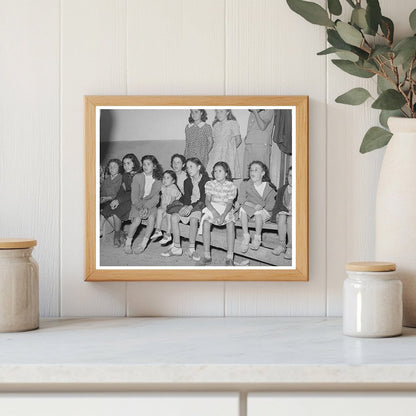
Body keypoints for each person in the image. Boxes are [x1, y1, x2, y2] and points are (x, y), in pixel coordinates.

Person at [161, 157, 209, 260]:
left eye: (191, 166)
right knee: (174, 216)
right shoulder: (187, 181)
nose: (189, 169)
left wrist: (190, 207)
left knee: (193, 219)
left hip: (200, 206)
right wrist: (184, 206)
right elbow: (187, 197)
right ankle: (177, 247)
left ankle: (191, 249)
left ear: (199, 167)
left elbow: (203, 199)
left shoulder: (206, 180)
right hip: (189, 205)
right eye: (187, 167)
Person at [198, 161, 237, 266]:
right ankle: (207, 256)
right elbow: (207, 201)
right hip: (213, 207)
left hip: (225, 209)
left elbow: (229, 203)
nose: (217, 173)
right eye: (215, 171)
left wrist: (224, 215)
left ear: (226, 173)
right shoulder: (210, 184)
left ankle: (229, 257)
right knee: (206, 223)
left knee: (230, 224)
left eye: (220, 171)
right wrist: (214, 212)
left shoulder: (231, 186)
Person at [124, 155, 163, 254]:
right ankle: (128, 243)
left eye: (148, 164)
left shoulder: (158, 180)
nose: (145, 166)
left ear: (154, 166)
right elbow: (134, 196)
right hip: (138, 203)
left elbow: (156, 198)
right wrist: (140, 207)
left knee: (151, 219)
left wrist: (146, 207)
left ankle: (143, 244)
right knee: (137, 221)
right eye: (144, 164)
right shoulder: (138, 177)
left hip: (151, 204)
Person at [101, 153, 140, 247]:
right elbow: (121, 190)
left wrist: (119, 201)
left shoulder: (138, 176)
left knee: (116, 213)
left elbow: (133, 193)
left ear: (134, 164)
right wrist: (116, 199)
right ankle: (121, 232)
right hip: (125, 198)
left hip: (135, 200)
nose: (126, 166)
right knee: (106, 211)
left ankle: (116, 236)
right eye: (124, 164)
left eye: (128, 163)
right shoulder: (125, 175)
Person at [236, 161, 277, 252]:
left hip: (263, 212)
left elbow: (272, 204)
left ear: (263, 173)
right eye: (251, 170)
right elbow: (241, 199)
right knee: (243, 209)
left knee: (258, 212)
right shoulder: (246, 184)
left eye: (256, 170)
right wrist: (253, 205)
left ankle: (257, 238)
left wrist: (262, 206)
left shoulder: (269, 187)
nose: (252, 172)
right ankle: (246, 237)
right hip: (249, 210)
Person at [206, 109, 242, 178]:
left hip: (227, 154)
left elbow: (238, 140)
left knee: (225, 173)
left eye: (221, 111)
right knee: (216, 173)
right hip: (216, 153)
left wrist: (230, 149)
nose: (219, 114)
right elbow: (214, 140)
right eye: (217, 112)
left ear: (228, 112)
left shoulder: (232, 123)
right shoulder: (216, 125)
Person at [150, 170, 182, 246]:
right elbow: (163, 200)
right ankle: (158, 230)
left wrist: (166, 210)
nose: (165, 180)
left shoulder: (173, 188)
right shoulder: (163, 187)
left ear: (173, 181)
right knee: (159, 210)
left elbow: (172, 202)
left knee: (168, 213)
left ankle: (168, 234)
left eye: (168, 178)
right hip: (166, 206)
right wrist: (162, 209)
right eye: (164, 178)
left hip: (174, 207)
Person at [242, 109, 274, 178]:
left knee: (261, 172)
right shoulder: (253, 112)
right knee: (247, 173)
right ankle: (248, 188)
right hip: (249, 143)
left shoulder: (268, 109)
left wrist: (255, 112)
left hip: (261, 144)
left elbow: (262, 126)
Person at [272, 166, 293, 260]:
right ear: (287, 177)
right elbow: (277, 206)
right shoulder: (282, 190)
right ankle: (282, 245)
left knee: (291, 219)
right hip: (285, 215)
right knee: (281, 216)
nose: (292, 179)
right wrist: (275, 215)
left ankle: (290, 247)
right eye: (290, 176)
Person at [99, 158, 122, 238]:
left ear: (119, 168)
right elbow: (103, 191)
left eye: (114, 167)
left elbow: (119, 193)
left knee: (104, 211)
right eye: (110, 167)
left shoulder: (120, 178)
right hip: (106, 200)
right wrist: (102, 198)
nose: (112, 169)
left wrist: (108, 198)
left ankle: (100, 229)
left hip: (116, 200)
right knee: (103, 208)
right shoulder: (107, 179)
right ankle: (119, 231)